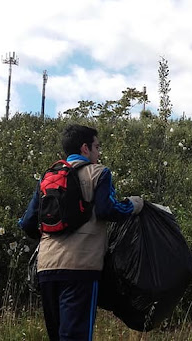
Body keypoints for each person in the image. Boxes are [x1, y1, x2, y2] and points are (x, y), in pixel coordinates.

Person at [18, 124, 143, 341]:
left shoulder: (48, 177)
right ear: (85, 148)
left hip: (47, 267)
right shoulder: (99, 173)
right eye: (96, 147)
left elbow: (28, 223)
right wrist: (133, 205)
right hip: (81, 268)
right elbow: (107, 210)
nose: (98, 152)